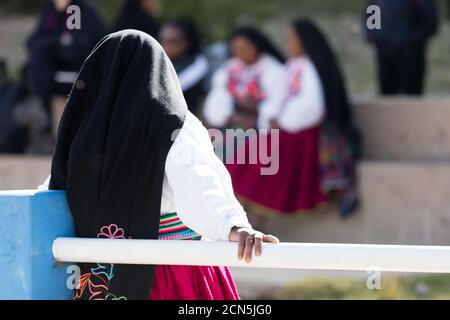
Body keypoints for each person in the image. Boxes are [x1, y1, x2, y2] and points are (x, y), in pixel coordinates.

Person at [39, 30, 279, 300]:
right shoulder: (172, 124)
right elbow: (196, 178)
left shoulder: (83, 131)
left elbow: (54, 190)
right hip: (172, 269)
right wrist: (232, 226)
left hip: (98, 275)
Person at [226, 19, 360, 229]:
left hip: (301, 133)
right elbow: (279, 96)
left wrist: (284, 120)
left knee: (257, 170)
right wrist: (271, 116)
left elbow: (311, 105)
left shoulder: (310, 68)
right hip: (283, 129)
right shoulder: (292, 66)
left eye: (292, 38)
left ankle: (251, 229)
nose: (288, 43)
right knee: (244, 165)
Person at [26, 0, 106, 113]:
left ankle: (40, 107)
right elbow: (33, 42)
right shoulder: (50, 11)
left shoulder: (75, 11)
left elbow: (72, 48)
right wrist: (57, 41)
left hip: (82, 75)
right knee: (39, 55)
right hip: (56, 72)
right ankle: (39, 105)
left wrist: (54, 42)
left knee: (41, 55)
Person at [203, 26, 285, 131]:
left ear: (257, 46)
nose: (241, 51)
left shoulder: (272, 69)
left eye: (245, 47)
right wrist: (228, 116)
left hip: (262, 127)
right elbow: (218, 96)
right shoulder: (229, 68)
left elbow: (275, 103)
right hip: (233, 125)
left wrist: (256, 108)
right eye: (236, 47)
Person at [364, 0, 438, 95]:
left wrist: (409, 40)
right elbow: (371, 18)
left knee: (413, 97)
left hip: (412, 56)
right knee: (387, 97)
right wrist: (379, 38)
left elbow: (430, 23)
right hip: (386, 55)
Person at [159, 17, 209, 114]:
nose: (165, 46)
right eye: (163, 41)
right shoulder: (161, 61)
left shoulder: (198, 63)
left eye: (172, 41)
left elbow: (171, 89)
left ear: (187, 42)